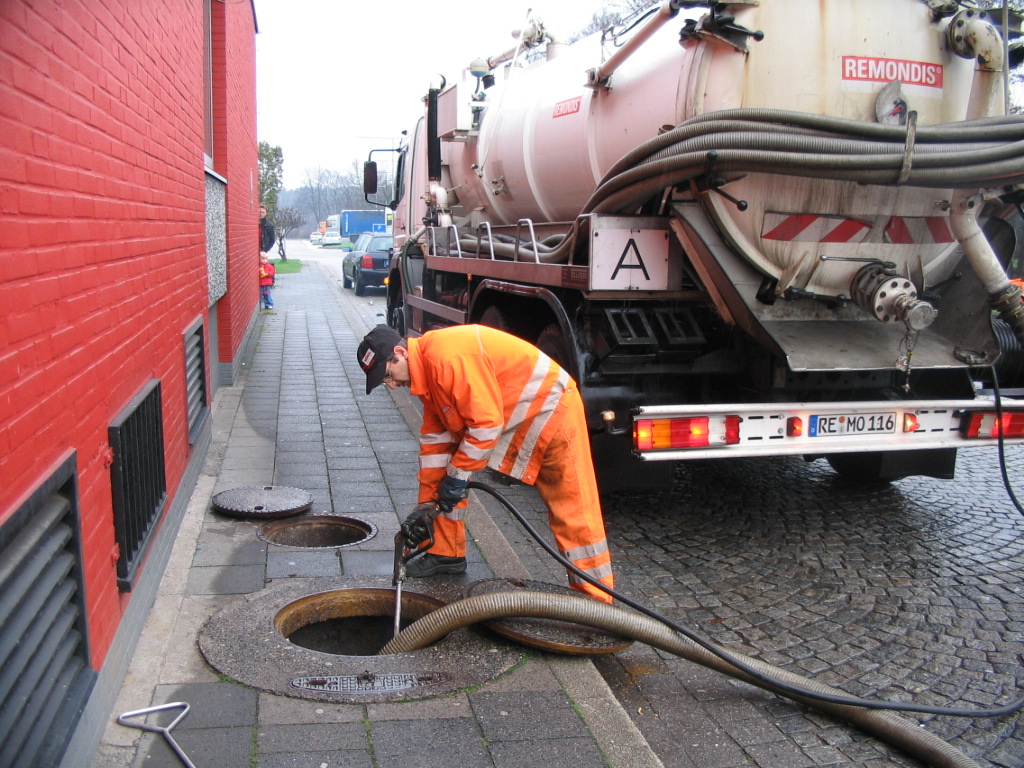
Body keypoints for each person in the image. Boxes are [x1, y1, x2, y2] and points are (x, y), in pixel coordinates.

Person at [357, 324, 614, 603]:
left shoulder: (446, 359)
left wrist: (456, 478)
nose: (392, 385)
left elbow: (485, 427)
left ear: (400, 352)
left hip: (554, 413)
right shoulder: (428, 376)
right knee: (445, 474)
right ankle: (445, 553)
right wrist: (424, 510)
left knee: (573, 512)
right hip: (526, 414)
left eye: (388, 375)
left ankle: (597, 602)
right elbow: (435, 450)